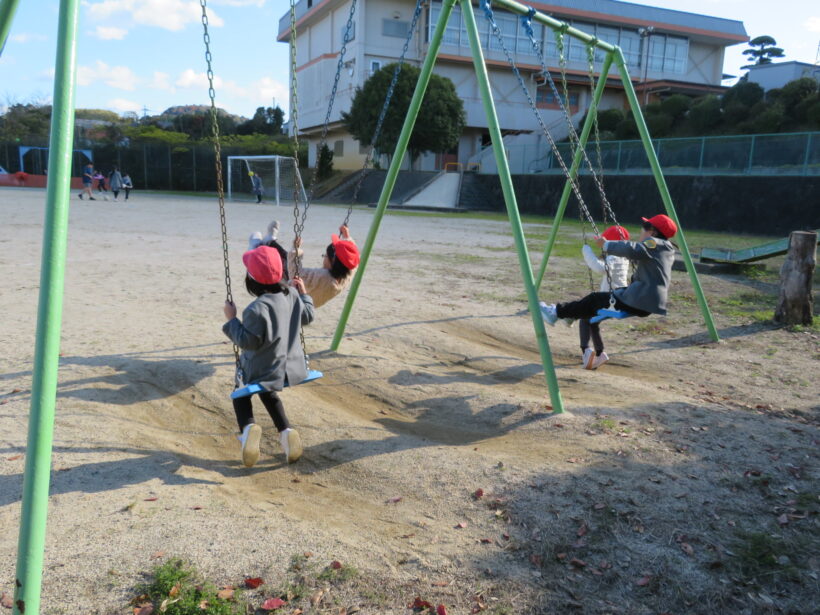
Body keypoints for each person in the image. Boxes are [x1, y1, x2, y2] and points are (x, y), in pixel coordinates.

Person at [539, 214, 678, 370]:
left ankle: (556, 312)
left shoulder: (654, 244)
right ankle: (577, 326)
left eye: (644, 228)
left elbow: (633, 248)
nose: (641, 231)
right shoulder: (666, 249)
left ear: (652, 232)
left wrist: (606, 245)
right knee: (594, 307)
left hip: (639, 299)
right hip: (648, 302)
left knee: (593, 300)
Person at [222, 245, 315, 467]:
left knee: (241, 393)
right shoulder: (292, 295)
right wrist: (303, 293)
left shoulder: (255, 309)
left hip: (263, 370)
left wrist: (232, 319)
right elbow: (309, 316)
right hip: (291, 368)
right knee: (268, 390)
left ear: (251, 281)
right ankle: (287, 432)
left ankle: (248, 430)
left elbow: (248, 342)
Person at [577, 225, 630, 370]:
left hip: (612, 300)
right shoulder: (623, 257)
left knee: (584, 317)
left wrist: (587, 252)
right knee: (593, 322)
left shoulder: (614, 257)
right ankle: (600, 354)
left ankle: (586, 351)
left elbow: (600, 268)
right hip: (620, 300)